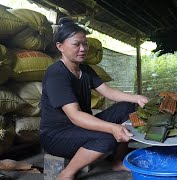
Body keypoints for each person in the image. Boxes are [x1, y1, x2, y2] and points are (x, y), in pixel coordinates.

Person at [39, 17, 148, 180]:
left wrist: (136, 98)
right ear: (60, 46)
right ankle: (66, 174)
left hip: (81, 127)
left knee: (127, 107)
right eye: (76, 44)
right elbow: (75, 116)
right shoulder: (57, 74)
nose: (83, 49)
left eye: (85, 44)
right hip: (57, 136)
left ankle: (118, 161)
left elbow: (109, 92)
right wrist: (112, 127)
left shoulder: (86, 70)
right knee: (107, 136)